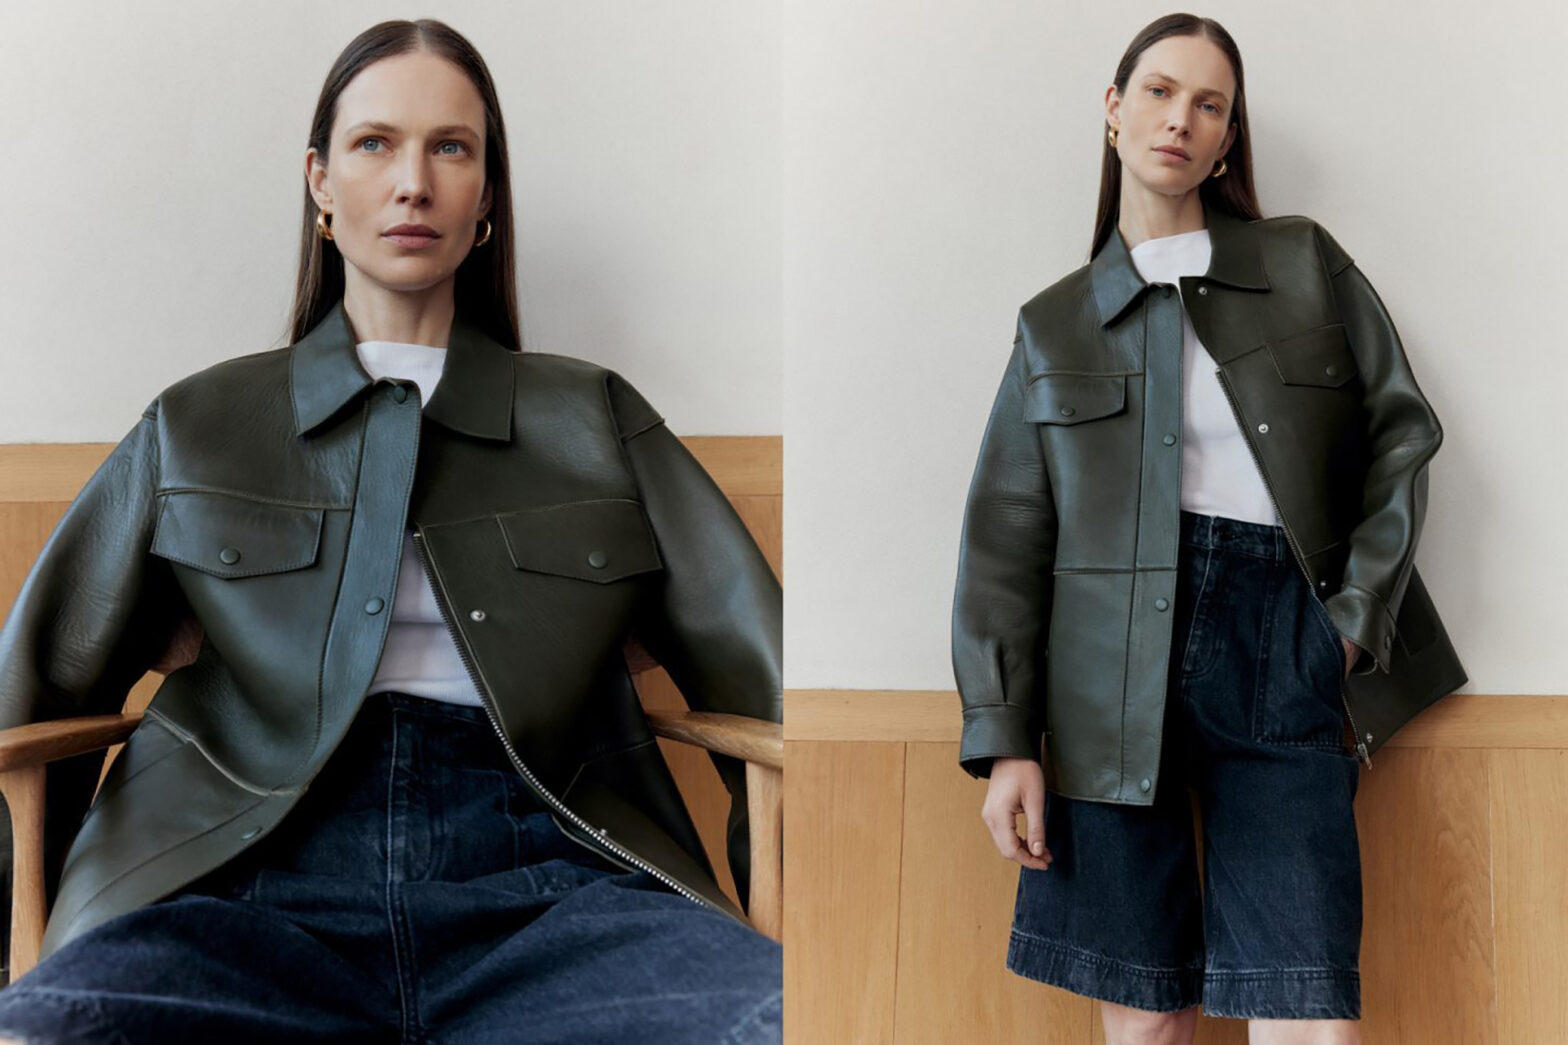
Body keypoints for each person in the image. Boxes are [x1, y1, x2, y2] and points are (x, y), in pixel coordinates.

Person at [0, 18, 782, 1043]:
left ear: (487, 194)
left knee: (760, 1019)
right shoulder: (198, 424)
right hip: (241, 873)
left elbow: (759, 670)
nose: (412, 181)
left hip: (550, 876)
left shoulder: (593, 419)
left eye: (450, 147)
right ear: (320, 181)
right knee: (55, 1027)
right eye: (375, 144)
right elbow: (39, 683)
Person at [951, 13, 1466, 1044]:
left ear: (1228, 138)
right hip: (1104, 677)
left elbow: (1401, 438)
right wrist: (1003, 739)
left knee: (1304, 1017)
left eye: (1208, 104)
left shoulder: (1299, 263)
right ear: (1111, 108)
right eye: (1156, 91)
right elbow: (1004, 537)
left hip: (1285, 642)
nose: (1177, 119)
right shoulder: (1052, 325)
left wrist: (1348, 623)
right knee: (1144, 1019)